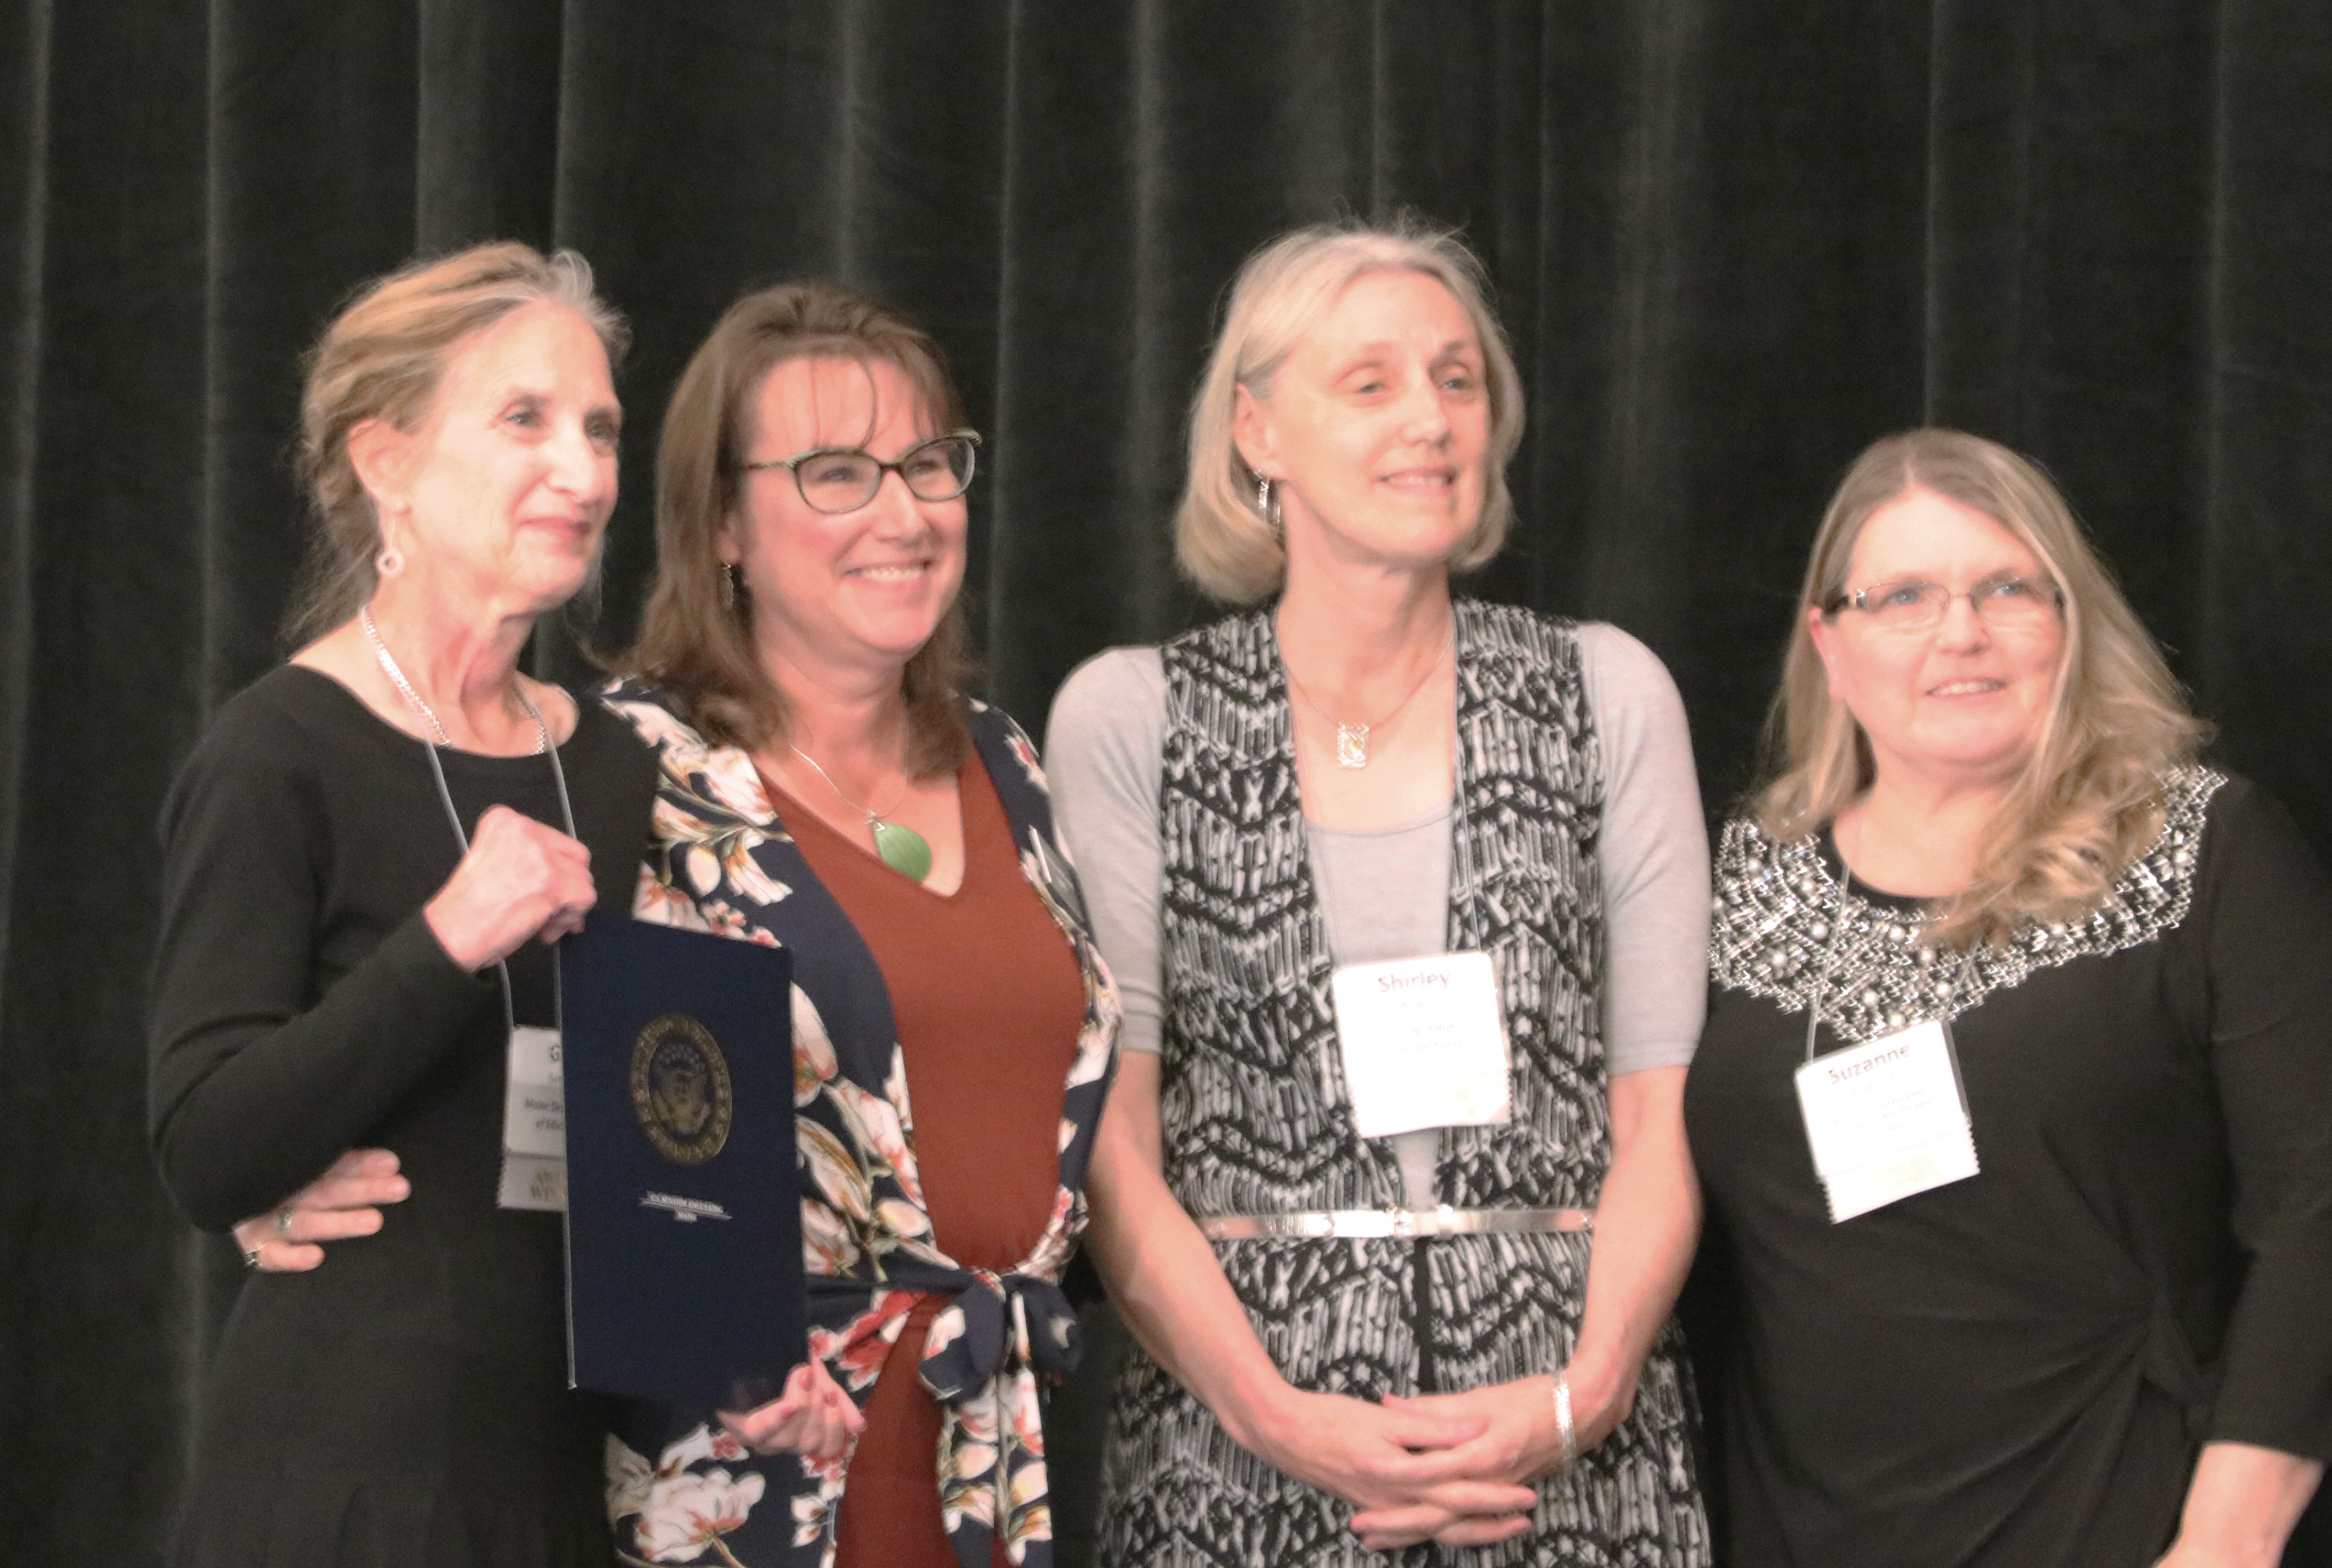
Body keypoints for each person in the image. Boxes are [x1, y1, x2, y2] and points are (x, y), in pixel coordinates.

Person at [1047, 221, 1714, 1565]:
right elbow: (1113, 1151)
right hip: (1237, 1441)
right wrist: (1281, 1416)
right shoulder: (1133, 719)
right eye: (1372, 383)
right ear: (1257, 430)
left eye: (1458, 380)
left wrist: (1581, 1396)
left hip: (1560, 1445)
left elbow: (1661, 1120)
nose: (1430, 418)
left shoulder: (1604, 693)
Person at [1683, 427, 2332, 1565]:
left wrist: (2233, 1533)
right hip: (1793, 1526)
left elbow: (2320, 1204)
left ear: (2070, 620)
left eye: (2007, 588)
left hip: (2123, 1514)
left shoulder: (2204, 849)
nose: (1962, 631)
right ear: (1827, 644)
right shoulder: (1736, 878)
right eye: (1904, 596)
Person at [593, 280, 1119, 1568]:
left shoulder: (1005, 756)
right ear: (723, 522)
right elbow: (554, 1117)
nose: (904, 512)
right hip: (768, 1454)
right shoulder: (631, 773)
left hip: (1000, 1449)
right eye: (837, 472)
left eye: (928, 464)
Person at [148, 242, 657, 1566]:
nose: (588, 472)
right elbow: (206, 1145)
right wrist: (448, 937)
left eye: (601, 428)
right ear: (388, 463)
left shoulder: (616, 763)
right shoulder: (280, 750)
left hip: (560, 1484)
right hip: (348, 1488)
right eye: (526, 421)